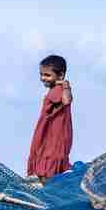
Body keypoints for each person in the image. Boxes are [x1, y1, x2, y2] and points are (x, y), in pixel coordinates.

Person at [27, 55, 73, 184]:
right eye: (41, 74)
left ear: (61, 75)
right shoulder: (54, 90)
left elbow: (67, 100)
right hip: (48, 138)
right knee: (44, 169)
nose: (42, 78)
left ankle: (48, 195)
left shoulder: (59, 90)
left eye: (47, 75)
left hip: (54, 140)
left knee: (47, 170)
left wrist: (65, 85)